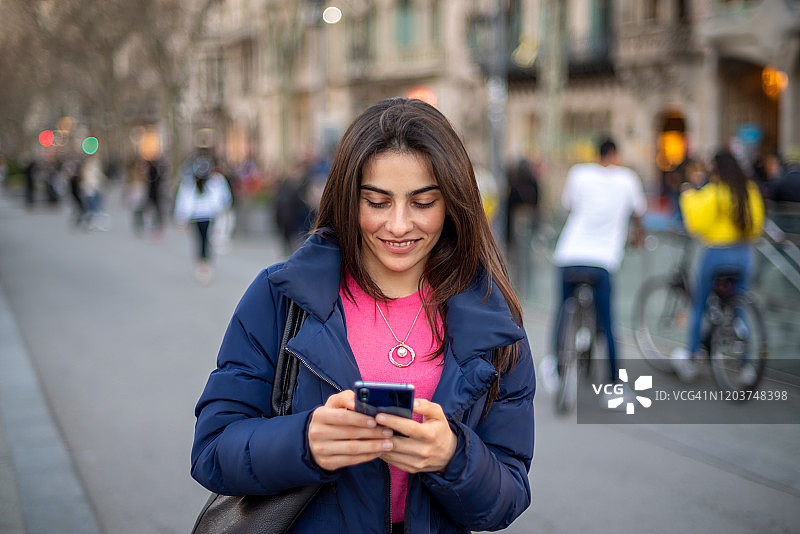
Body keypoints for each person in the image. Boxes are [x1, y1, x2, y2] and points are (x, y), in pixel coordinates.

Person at [190, 98, 535, 533]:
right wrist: (305, 441)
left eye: (423, 203)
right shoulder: (279, 297)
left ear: (452, 204)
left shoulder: (494, 321)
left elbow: (508, 494)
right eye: (377, 202)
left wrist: (452, 457)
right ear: (348, 199)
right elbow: (212, 450)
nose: (398, 225)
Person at [550, 137, 647, 394]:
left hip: (569, 254)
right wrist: (637, 236)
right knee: (608, 322)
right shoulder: (628, 179)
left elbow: (567, 206)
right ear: (615, 154)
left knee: (561, 311)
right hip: (603, 261)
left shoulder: (579, 173)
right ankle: (614, 383)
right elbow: (639, 214)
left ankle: (556, 368)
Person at [672, 150, 765, 382]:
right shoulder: (749, 190)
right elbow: (757, 225)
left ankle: (690, 357)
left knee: (699, 306)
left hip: (716, 254)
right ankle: (746, 366)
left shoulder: (715, 191)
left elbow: (697, 224)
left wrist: (688, 194)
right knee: (740, 307)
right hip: (744, 254)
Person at [174, 155, 232, 284]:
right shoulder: (189, 183)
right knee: (201, 239)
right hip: (197, 217)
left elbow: (224, 198)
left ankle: (205, 263)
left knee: (206, 239)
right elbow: (184, 200)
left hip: (209, 215)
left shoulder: (216, 181)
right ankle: (202, 263)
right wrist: (181, 217)